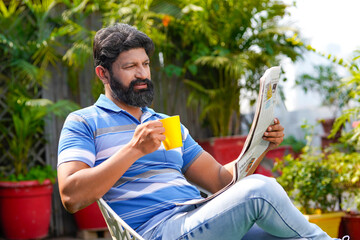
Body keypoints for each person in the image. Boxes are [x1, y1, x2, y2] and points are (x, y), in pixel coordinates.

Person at [57, 23, 348, 240]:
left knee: (283, 234)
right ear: (103, 73)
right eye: (130, 66)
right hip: (158, 231)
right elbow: (71, 196)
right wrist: (133, 150)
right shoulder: (85, 122)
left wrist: (259, 145)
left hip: (196, 216)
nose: (142, 74)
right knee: (261, 189)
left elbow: (221, 181)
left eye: (145, 64)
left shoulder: (165, 123)